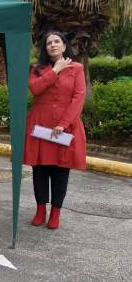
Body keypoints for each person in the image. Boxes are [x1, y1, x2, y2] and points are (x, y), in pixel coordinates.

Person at [24, 31, 87, 230]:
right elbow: (35, 89)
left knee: (61, 171)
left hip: (66, 125)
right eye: (48, 42)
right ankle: (40, 209)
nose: (53, 45)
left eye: (56, 41)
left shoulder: (77, 68)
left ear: (64, 44)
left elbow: (78, 98)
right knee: (40, 169)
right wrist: (55, 70)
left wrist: (63, 123)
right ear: (45, 48)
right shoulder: (36, 69)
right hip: (40, 123)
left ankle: (56, 213)